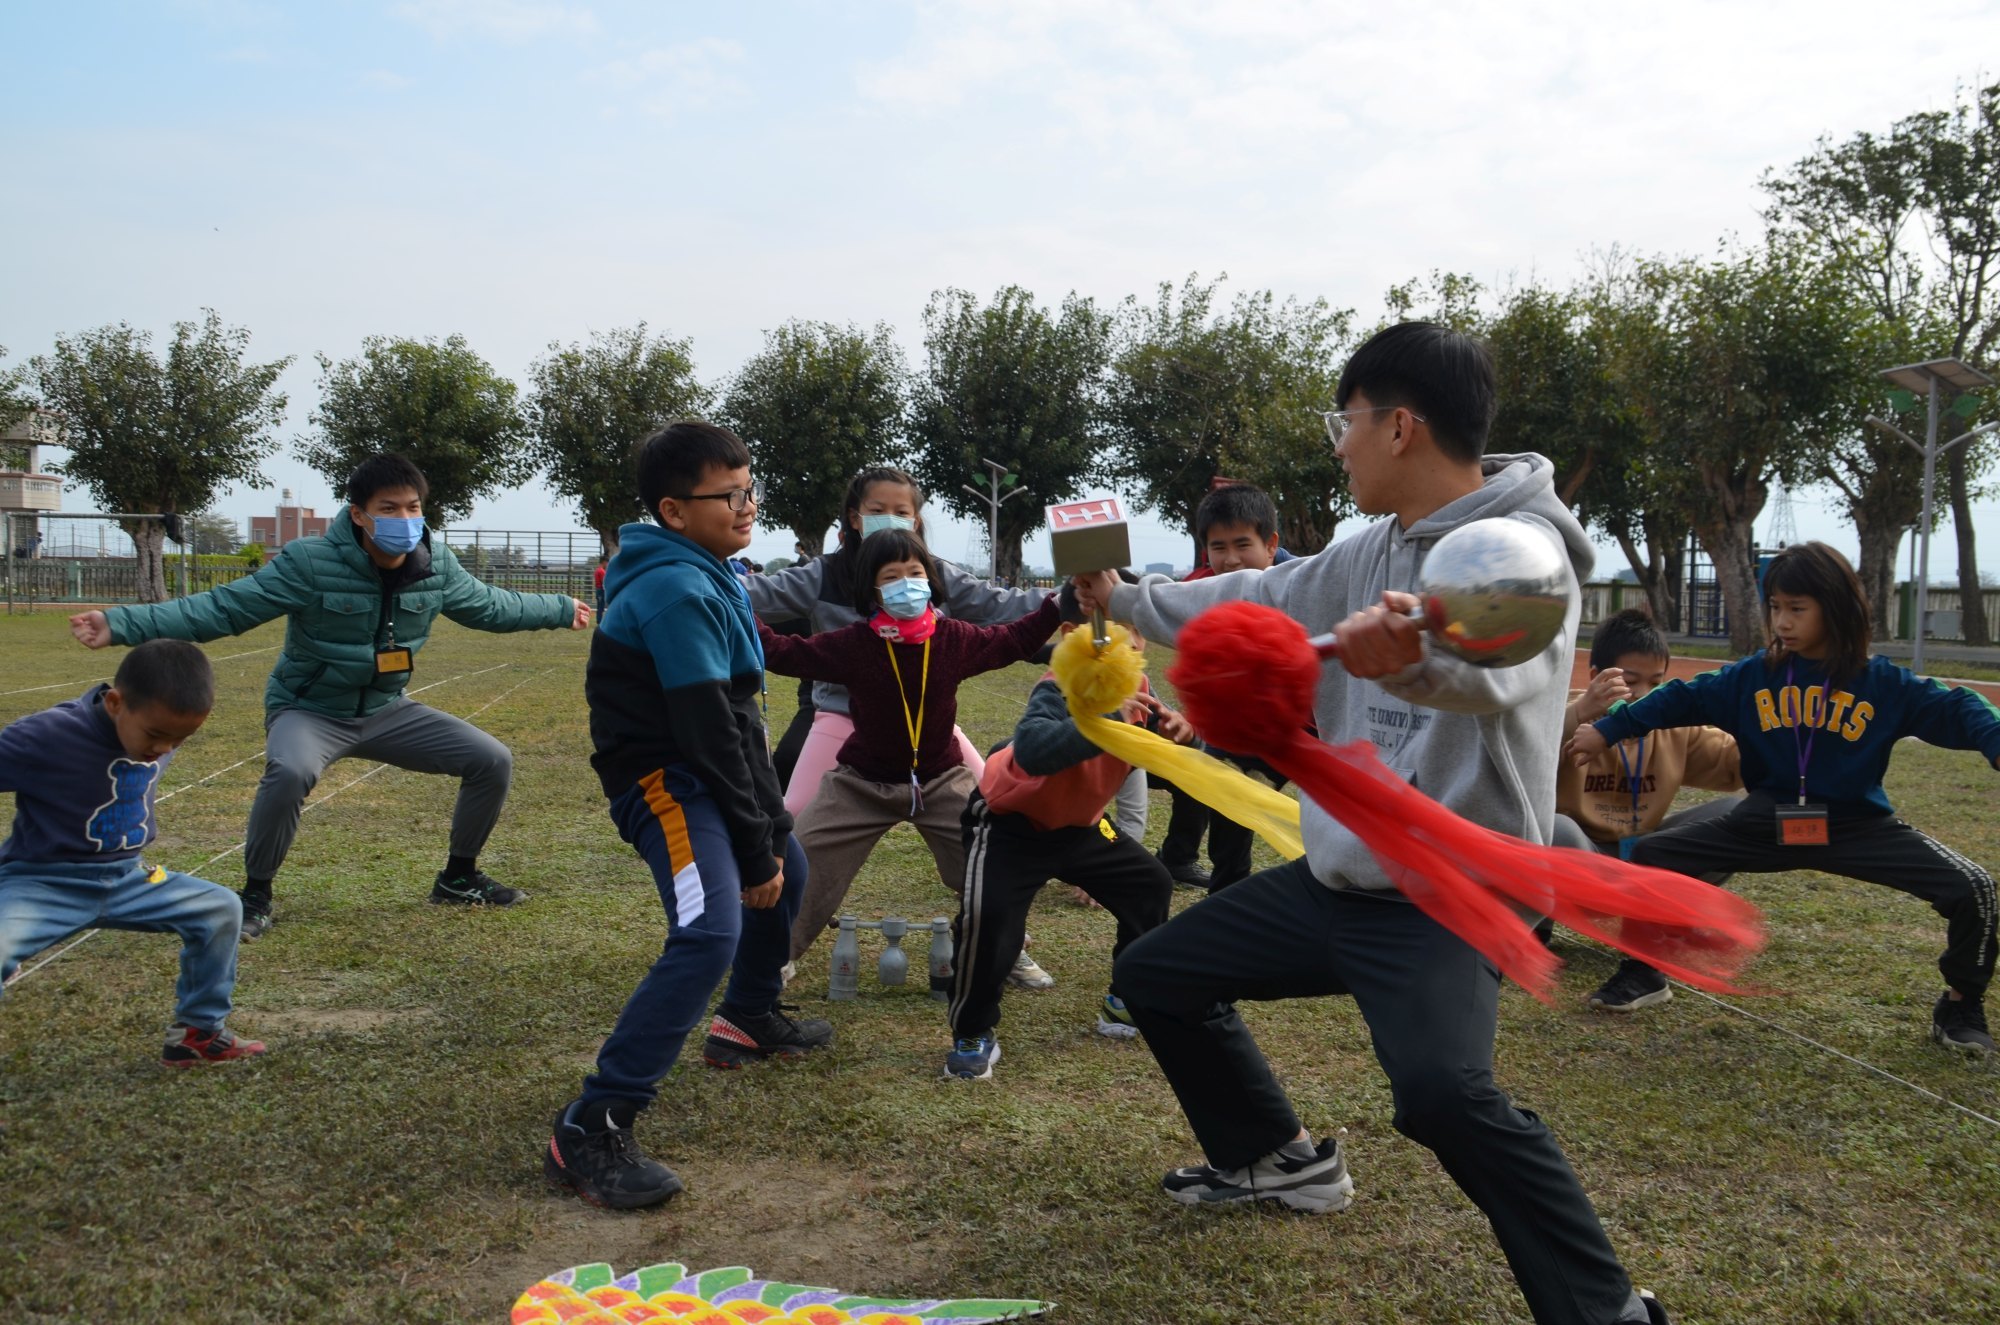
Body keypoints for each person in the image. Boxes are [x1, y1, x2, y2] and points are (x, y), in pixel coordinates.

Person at [1075, 323, 1672, 1325]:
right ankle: (1273, 1160)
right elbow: (1257, 596)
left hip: (1445, 895)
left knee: (1440, 1095)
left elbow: (1504, 673)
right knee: (1154, 976)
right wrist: (1128, 599)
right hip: (1337, 878)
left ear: (1399, 425)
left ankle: (1606, 1308)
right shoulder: (1371, 547)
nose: (1336, 442)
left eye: (1342, 420)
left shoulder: (1519, 556)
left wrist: (1409, 660)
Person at [68, 455, 589, 939]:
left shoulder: (437, 564)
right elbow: (224, 609)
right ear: (359, 515)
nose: (404, 519)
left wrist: (559, 608)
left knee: (491, 759)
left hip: (387, 709)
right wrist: (118, 623)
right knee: (290, 771)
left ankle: (458, 877)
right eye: (389, 509)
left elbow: (492, 607)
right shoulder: (310, 563)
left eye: (413, 508)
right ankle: (256, 895)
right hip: (309, 710)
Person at [546, 421, 828, 1211]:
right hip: (666, 782)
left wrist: (771, 828)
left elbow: (739, 716)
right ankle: (592, 1122)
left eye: (750, 487)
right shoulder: (673, 586)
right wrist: (752, 846)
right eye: (729, 494)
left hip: (707, 767)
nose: (747, 505)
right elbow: (705, 730)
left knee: (793, 865)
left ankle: (747, 1017)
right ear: (674, 509)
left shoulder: (710, 569)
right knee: (711, 928)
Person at [1571, 542, 2000, 1052]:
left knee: (1975, 888)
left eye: (1797, 608)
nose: (1783, 622)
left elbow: (1959, 706)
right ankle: (1644, 972)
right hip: (1767, 820)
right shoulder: (1754, 677)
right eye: (1775, 607)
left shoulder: (1883, 684)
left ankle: (1959, 1006)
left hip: (1855, 826)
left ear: (1835, 607)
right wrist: (1611, 728)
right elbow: (1681, 696)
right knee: (1654, 854)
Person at [746, 469, 1059, 988]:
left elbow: (1010, 632)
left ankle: (1007, 948)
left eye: (914, 575)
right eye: (890, 579)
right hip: (852, 747)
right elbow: (781, 648)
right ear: (854, 516)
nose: (905, 585)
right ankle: (777, 952)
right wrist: (728, 601)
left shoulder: (952, 633)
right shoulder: (847, 629)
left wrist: (1062, 605)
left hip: (936, 765)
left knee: (990, 841)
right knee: (800, 833)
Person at [0, 640, 266, 1067]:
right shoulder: (46, 736)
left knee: (221, 908)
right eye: (157, 735)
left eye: (181, 738)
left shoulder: (158, 726)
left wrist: (164, 736)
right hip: (43, 882)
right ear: (114, 703)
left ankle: (197, 1034)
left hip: (128, 878)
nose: (164, 748)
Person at [944, 628, 1189, 1079]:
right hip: (1008, 825)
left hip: (1084, 827)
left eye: (1126, 629)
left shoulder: (1140, 693)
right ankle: (973, 1031)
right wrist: (1107, 721)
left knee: (1149, 883)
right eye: (1097, 630)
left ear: (1140, 639)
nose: (1112, 642)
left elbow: (1169, 750)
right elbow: (1036, 750)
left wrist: (1185, 734)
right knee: (989, 916)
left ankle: (1126, 1000)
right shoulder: (1058, 685)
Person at [1550, 607, 1742, 985]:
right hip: (1583, 861)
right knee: (1554, 829)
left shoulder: (1669, 720)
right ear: (1596, 677)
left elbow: (1733, 764)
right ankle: (1537, 920)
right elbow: (1518, 757)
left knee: (1738, 816)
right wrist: (1579, 715)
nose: (1644, 695)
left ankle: (1664, 920)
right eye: (1631, 680)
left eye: (1657, 682)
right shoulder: (1567, 710)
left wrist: (1768, 725)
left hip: (1647, 859)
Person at [1154, 483, 1299, 892]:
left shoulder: (1305, 584)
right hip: (1245, 722)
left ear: (1271, 545)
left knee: (1335, 817)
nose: (1231, 560)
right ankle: (1226, 890)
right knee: (1219, 784)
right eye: (1219, 548)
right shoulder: (1200, 590)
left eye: (1242, 545)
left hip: (1313, 724)